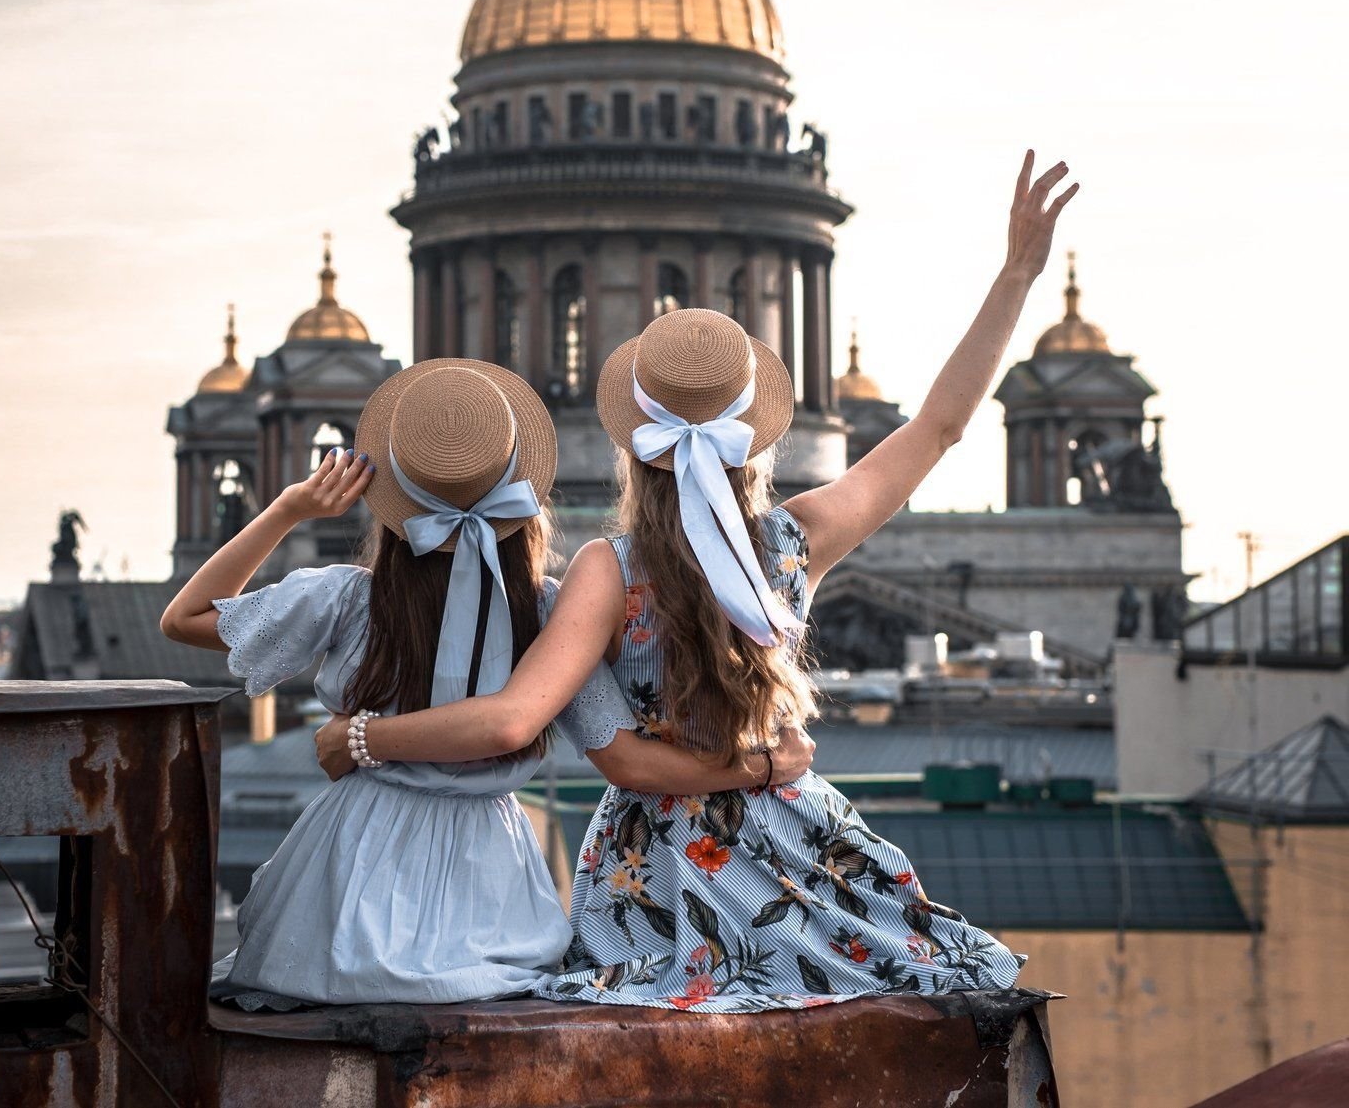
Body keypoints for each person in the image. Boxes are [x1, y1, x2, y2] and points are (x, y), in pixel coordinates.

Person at [314, 153, 1076, 1011]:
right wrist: (1017, 272)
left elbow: (534, 726)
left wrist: (363, 737)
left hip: (663, 879)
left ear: (630, 435)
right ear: (757, 431)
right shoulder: (798, 540)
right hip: (802, 842)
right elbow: (941, 427)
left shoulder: (606, 572)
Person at [160, 358, 813, 1009]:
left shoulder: (346, 599)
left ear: (390, 496)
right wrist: (759, 765)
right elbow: (624, 755)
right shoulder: (554, 613)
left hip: (350, 864)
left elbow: (185, 618)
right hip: (492, 881)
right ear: (522, 496)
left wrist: (288, 508)